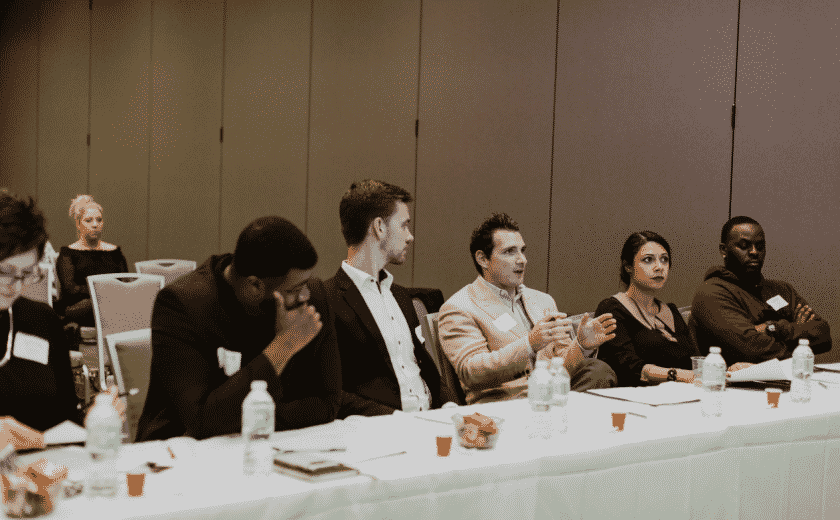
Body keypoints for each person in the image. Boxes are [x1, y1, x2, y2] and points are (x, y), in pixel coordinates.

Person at [136, 216, 343, 441]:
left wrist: (250, 418)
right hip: (179, 453)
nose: (304, 295)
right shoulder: (183, 306)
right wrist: (284, 346)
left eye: (305, 284)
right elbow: (202, 421)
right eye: (293, 290)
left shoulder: (312, 297)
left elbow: (328, 402)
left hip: (280, 445)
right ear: (254, 285)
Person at [438, 213, 618, 404]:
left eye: (522, 250)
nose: (522, 259)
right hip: (506, 405)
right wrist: (530, 344)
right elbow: (471, 372)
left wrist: (582, 345)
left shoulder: (543, 301)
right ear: (483, 259)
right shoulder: (459, 307)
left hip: (552, 395)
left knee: (598, 370)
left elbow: (563, 368)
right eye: (509, 252)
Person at [325, 180, 456, 416]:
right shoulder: (328, 299)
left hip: (430, 421)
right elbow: (331, 391)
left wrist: (449, 407)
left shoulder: (401, 295)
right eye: (404, 225)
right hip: (379, 431)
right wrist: (395, 420)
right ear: (379, 227)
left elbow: (424, 366)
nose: (410, 236)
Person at [691, 216, 831, 363]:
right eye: (744, 246)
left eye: (760, 246)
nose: (754, 252)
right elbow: (752, 350)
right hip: (736, 384)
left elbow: (823, 336)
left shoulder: (782, 289)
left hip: (790, 379)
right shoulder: (712, 292)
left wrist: (774, 327)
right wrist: (800, 342)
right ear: (724, 250)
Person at [0, 190, 79, 433]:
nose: (15, 285)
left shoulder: (42, 320)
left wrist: (95, 420)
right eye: (5, 272)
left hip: (39, 466)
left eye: (26, 274)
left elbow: (65, 415)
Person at [595, 232, 701, 387]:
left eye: (664, 260)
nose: (659, 267)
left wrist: (725, 369)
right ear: (628, 266)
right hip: (633, 398)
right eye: (648, 260)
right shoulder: (612, 308)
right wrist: (677, 375)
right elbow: (626, 366)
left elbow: (693, 360)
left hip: (683, 394)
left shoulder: (671, 311)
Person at [55, 195, 128, 327]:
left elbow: (124, 284)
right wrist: (102, 292)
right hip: (80, 307)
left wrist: (105, 294)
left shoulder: (115, 252)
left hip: (112, 304)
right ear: (78, 224)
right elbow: (70, 290)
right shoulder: (68, 253)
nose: (95, 224)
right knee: (94, 305)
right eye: (89, 220)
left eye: (99, 220)